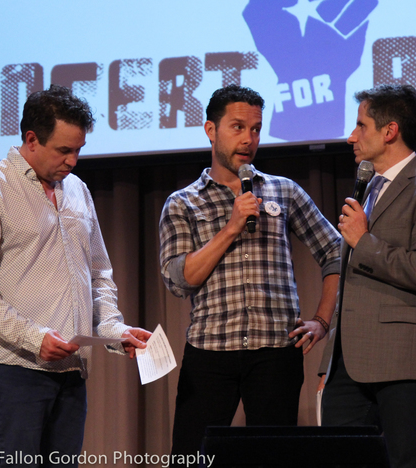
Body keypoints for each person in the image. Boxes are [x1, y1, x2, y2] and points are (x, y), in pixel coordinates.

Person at [0, 84, 152, 467]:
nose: (73, 160)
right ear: (31, 139)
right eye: (64, 150)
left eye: (78, 149)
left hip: (71, 370)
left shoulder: (77, 190)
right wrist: (33, 337)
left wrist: (113, 329)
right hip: (14, 367)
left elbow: (98, 275)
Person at [159, 84, 341, 459]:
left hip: (275, 353)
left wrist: (323, 320)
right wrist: (230, 227)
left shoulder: (283, 191)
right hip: (210, 352)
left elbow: (336, 252)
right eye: (238, 127)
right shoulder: (183, 203)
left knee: (274, 459)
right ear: (211, 130)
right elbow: (179, 280)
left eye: (256, 129)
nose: (248, 139)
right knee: (191, 458)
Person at [319, 84, 416, 467]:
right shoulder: (368, 189)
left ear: (389, 131)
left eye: (360, 126)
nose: (351, 137)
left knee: (407, 461)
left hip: (404, 360)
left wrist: (364, 242)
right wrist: (328, 365)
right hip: (348, 366)